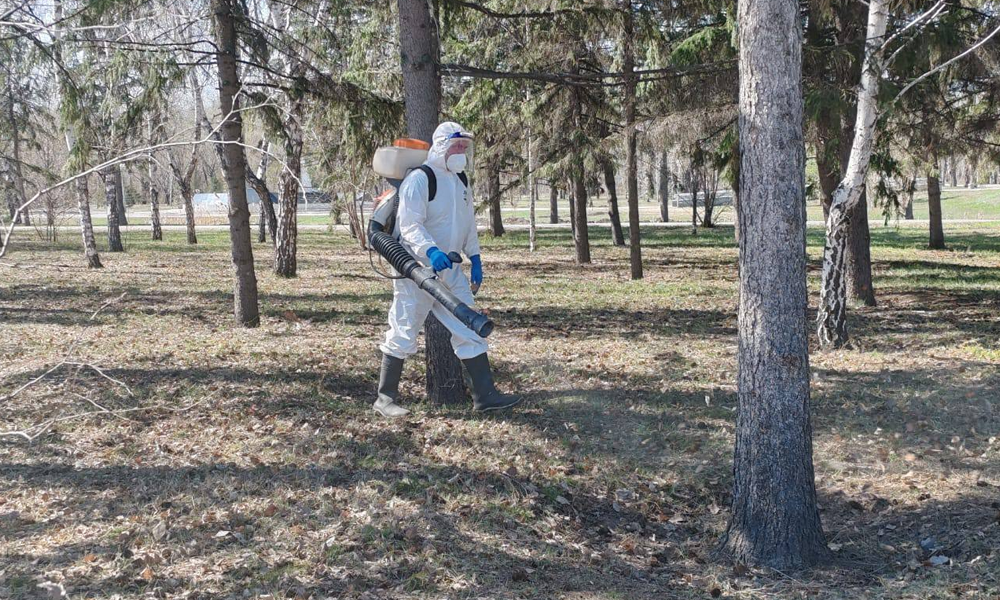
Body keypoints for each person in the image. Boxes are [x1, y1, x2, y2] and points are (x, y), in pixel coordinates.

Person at [374, 121, 520, 418]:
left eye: (464, 147)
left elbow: (466, 225)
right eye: (456, 146)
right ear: (441, 146)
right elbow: (408, 225)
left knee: (470, 327)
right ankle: (384, 399)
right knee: (403, 332)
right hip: (415, 272)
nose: (461, 152)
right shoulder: (420, 179)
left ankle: (485, 396)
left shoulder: (460, 180)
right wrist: (431, 251)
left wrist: (475, 257)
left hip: (450, 270)